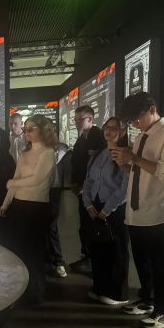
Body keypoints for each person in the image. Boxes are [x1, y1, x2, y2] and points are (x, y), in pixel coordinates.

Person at [111, 92, 164, 328]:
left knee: (162, 264)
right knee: (143, 261)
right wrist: (125, 164)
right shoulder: (142, 137)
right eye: (131, 121)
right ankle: (148, 299)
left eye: (137, 118)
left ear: (152, 109)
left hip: (162, 211)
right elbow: (141, 172)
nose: (135, 124)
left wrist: (134, 158)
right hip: (139, 210)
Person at [0, 114, 57, 304]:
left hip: (36, 207)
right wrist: (6, 203)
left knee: (34, 252)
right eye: (26, 128)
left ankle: (36, 292)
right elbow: (17, 179)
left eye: (31, 128)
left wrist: (12, 183)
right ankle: (20, 291)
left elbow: (36, 179)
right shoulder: (25, 153)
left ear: (43, 130)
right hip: (19, 206)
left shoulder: (48, 152)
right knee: (18, 250)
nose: (26, 132)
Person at [83, 117, 130, 305]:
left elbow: (125, 187)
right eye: (106, 128)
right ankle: (99, 287)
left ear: (122, 132)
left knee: (116, 251)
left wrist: (107, 209)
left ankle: (117, 293)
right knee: (98, 249)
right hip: (95, 206)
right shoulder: (98, 154)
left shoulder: (126, 154)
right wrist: (88, 204)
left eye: (113, 128)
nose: (108, 131)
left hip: (115, 208)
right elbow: (88, 181)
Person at [69, 105, 105, 276]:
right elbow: (77, 163)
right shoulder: (81, 138)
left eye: (80, 119)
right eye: (75, 120)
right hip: (82, 189)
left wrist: (84, 186)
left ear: (90, 119)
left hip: (92, 191)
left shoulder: (98, 137)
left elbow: (98, 167)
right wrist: (74, 182)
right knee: (84, 224)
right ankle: (87, 256)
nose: (77, 123)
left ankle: (92, 260)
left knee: (90, 224)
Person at [45, 142, 71, 278]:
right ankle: (48, 261)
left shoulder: (60, 149)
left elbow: (58, 156)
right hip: (40, 188)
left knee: (51, 226)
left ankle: (57, 261)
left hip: (53, 189)